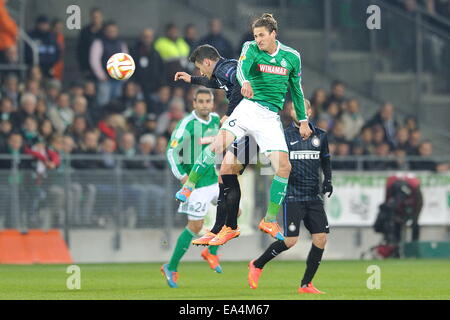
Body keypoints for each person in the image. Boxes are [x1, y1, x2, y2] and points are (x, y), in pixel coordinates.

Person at [175, 13, 312, 244]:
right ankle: (189, 187)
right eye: (255, 35)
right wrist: (245, 82)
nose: (258, 39)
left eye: (262, 35)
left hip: (270, 117)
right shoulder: (250, 48)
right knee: (219, 146)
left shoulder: (292, 57)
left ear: (273, 34)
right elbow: (240, 71)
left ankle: (268, 219)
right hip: (248, 109)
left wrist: (303, 120)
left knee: (284, 167)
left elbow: (296, 90)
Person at [248, 100, 332, 294]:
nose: (299, 111)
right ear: (290, 111)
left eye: (303, 107)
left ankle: (306, 284)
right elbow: (274, 161)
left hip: (313, 196)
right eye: (295, 108)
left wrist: (328, 180)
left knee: (320, 239)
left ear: (309, 111)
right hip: (293, 195)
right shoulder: (283, 136)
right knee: (290, 241)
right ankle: (257, 264)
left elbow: (325, 160)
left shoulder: (321, 135)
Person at [174, 44, 253, 247]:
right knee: (226, 174)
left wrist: (230, 112)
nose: (201, 72)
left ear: (208, 62)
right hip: (247, 123)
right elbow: (214, 83)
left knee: (217, 150)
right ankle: (219, 229)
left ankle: (190, 186)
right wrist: (191, 79)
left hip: (251, 121)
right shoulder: (221, 71)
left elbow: (238, 83)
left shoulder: (228, 69)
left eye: (201, 67)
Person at [161, 88, 222, 288]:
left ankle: (210, 252)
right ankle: (171, 266)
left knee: (233, 209)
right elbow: (171, 152)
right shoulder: (186, 124)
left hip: (213, 179)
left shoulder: (215, 120)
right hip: (195, 185)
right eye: (201, 101)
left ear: (212, 103)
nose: (205, 104)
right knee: (195, 228)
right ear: (194, 103)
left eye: (208, 101)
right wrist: (183, 176)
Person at [89, 21, 128, 106]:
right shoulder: (98, 43)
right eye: (110, 31)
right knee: (104, 103)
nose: (112, 33)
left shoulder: (121, 43)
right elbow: (94, 60)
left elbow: (126, 59)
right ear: (105, 31)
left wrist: (124, 76)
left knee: (117, 103)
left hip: (118, 79)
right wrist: (102, 76)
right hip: (105, 80)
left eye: (114, 31)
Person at [76, 7, 104, 78]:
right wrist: (83, 68)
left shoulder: (106, 31)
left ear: (101, 17)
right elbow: (80, 50)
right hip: (88, 68)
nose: (95, 19)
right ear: (91, 18)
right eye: (94, 17)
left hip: (104, 68)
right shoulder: (85, 32)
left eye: (97, 17)